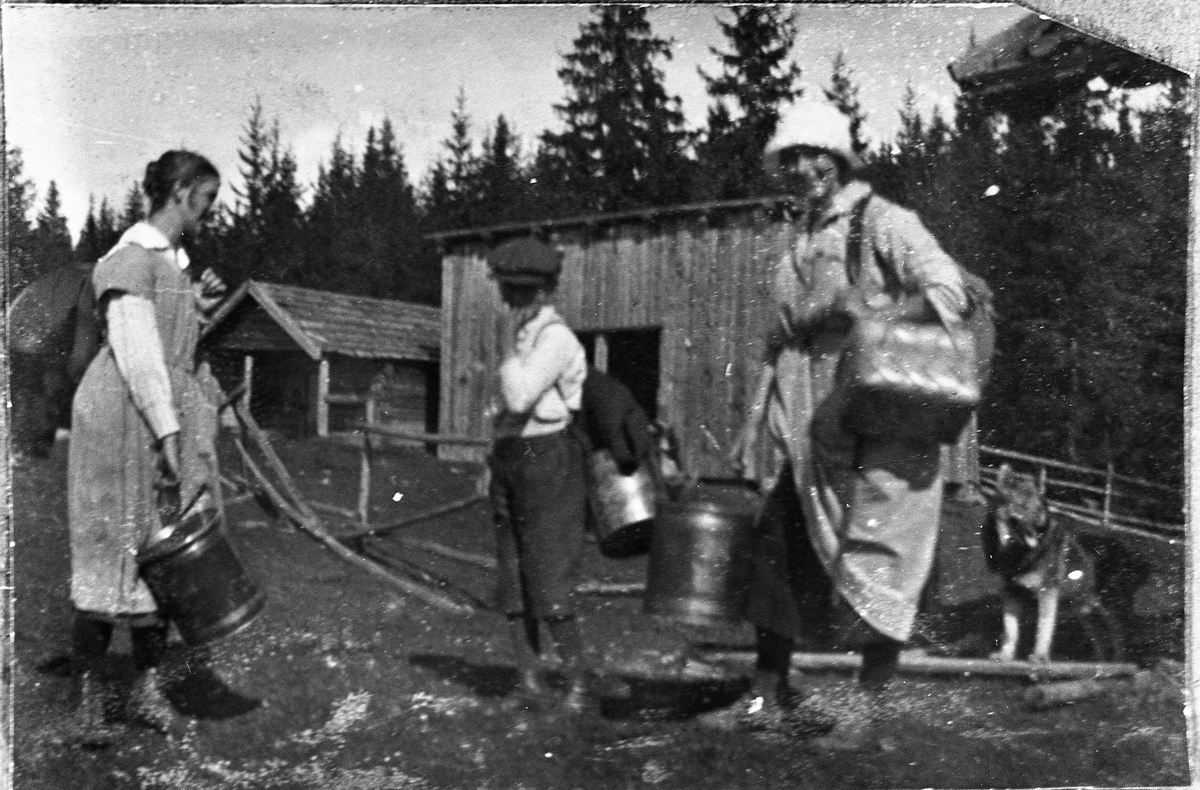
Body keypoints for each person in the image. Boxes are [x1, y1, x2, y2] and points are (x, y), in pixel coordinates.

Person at [721, 101, 977, 736]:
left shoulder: (883, 222)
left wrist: (870, 311)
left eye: (813, 155)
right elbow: (776, 341)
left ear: (838, 160)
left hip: (875, 417)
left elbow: (949, 289)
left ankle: (869, 710)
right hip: (805, 431)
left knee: (880, 554)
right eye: (791, 159)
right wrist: (752, 422)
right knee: (779, 544)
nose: (802, 168)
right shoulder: (800, 242)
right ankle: (765, 693)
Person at [67, 150, 227, 745]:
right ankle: (89, 702)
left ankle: (145, 694)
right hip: (124, 416)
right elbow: (137, 355)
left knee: (157, 555)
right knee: (111, 551)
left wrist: (198, 312)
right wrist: (168, 432)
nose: (209, 212)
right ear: (181, 191)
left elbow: (170, 347)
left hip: (157, 410)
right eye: (206, 199)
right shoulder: (131, 259)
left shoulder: (173, 265)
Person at [486, 236, 611, 714]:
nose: (505, 299)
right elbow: (507, 412)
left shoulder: (555, 338)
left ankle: (578, 685)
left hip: (548, 457)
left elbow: (519, 396)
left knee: (547, 570)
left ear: (538, 292)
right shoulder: (524, 337)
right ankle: (529, 682)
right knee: (513, 572)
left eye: (513, 290)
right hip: (513, 456)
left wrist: (503, 349)